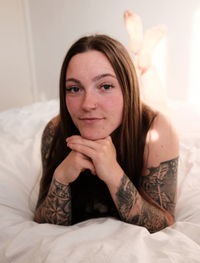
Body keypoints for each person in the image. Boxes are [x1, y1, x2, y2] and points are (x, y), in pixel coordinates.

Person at [33, 34, 179, 233]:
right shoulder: (54, 131)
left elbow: (165, 221)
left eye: (106, 86)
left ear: (127, 89)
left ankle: (144, 59)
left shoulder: (157, 129)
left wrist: (114, 174)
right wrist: (61, 178)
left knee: (158, 101)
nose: (87, 104)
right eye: (74, 88)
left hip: (142, 114)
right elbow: (41, 218)